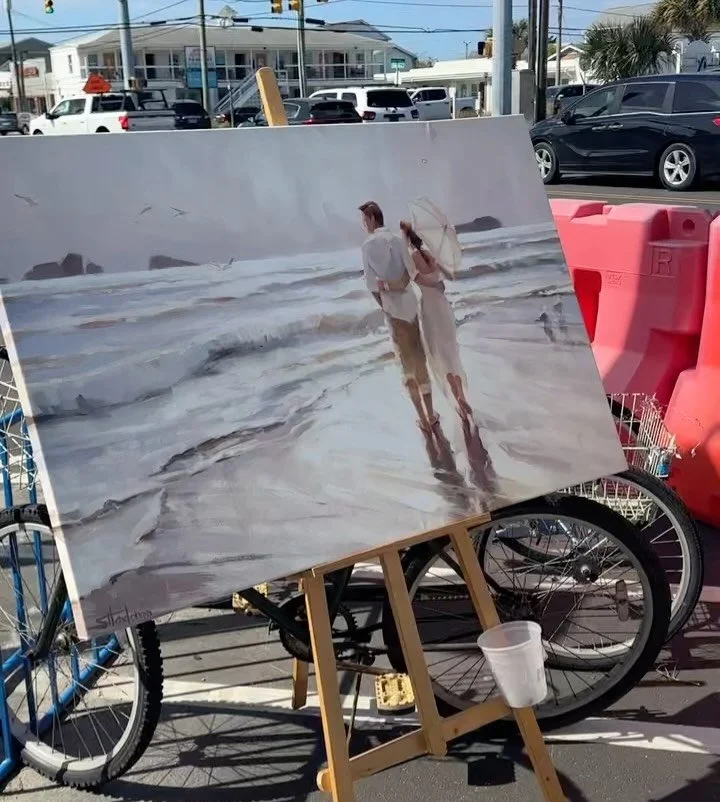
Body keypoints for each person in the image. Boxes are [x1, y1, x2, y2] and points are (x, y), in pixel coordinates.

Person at [359, 201, 439, 433]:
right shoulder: (396, 239)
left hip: (393, 311)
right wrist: (399, 284)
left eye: (365, 221)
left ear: (372, 219)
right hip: (410, 306)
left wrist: (384, 302)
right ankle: (431, 414)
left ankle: (422, 419)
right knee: (419, 359)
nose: (364, 225)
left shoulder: (367, 246)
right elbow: (410, 274)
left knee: (406, 366)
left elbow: (371, 284)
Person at [383, 220, 473, 419]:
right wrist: (437, 277)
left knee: (438, 353)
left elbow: (416, 280)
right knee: (450, 352)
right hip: (443, 306)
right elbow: (446, 278)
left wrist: (388, 286)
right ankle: (461, 394)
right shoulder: (430, 255)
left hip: (429, 308)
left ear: (405, 238)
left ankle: (458, 398)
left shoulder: (413, 258)